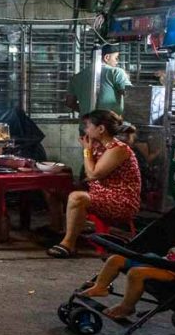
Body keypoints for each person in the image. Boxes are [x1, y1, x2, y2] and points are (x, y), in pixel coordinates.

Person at [47, 110, 142, 259]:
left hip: (121, 202)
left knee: (77, 197)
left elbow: (92, 175)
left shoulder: (118, 149)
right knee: (53, 189)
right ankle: (57, 230)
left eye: (88, 126)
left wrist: (86, 151)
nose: (85, 130)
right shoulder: (99, 146)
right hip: (101, 195)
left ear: (101, 129)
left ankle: (68, 244)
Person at [79, 244, 175, 320]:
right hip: (163, 261)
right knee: (115, 259)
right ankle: (100, 287)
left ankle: (127, 307)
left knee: (136, 273)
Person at [66, 43, 132, 116]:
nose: (117, 61)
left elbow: (70, 102)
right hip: (108, 124)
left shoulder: (76, 78)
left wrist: (87, 113)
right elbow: (130, 94)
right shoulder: (116, 72)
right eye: (116, 58)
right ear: (107, 57)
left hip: (87, 126)